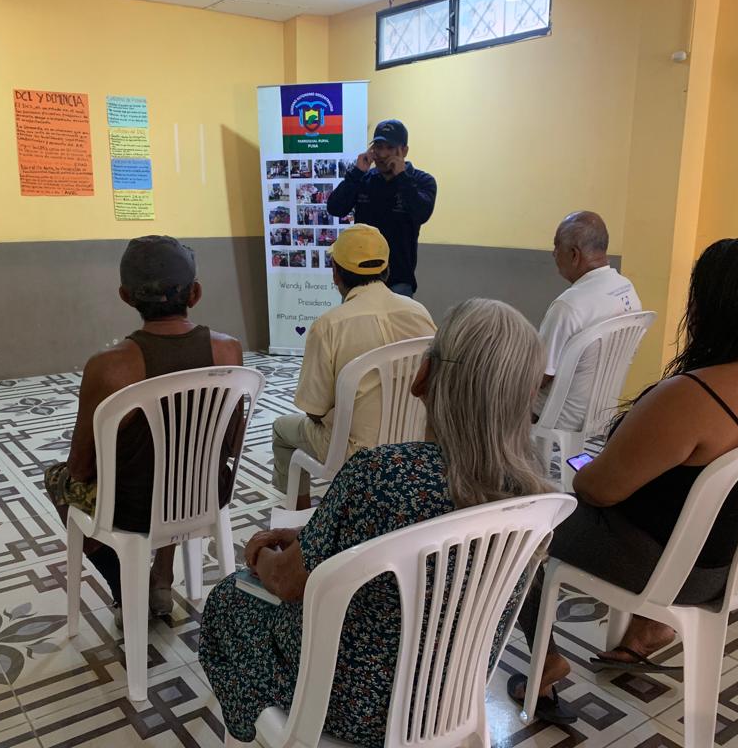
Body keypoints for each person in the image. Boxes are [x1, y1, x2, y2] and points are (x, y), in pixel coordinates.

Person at [200, 299, 554, 748]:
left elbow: (288, 584)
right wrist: (314, 534)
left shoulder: (381, 474)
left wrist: (262, 556)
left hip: (349, 706)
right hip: (451, 699)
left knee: (229, 598)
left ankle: (250, 730)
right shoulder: (533, 492)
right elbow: (413, 542)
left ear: (423, 377)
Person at [510, 239, 738, 724]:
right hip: (734, 560)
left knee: (518, 529)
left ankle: (545, 662)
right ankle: (647, 629)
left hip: (669, 568)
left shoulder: (692, 396)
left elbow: (598, 490)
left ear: (716, 306)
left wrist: (582, 472)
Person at [43, 236, 245, 621]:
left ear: (125, 296)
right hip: (206, 492)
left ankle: (125, 585)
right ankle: (162, 576)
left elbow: (81, 468)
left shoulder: (108, 366)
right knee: (179, 463)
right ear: (195, 293)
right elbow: (232, 444)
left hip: (131, 509)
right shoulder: (228, 350)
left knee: (56, 478)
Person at [271, 223, 436, 509]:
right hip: (415, 442)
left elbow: (314, 409)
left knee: (281, 430)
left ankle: (300, 524)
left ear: (335, 272)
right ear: (386, 269)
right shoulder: (418, 312)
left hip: (357, 455)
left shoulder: (329, 325)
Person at [535, 211, 641, 430]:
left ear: (574, 254)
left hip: (553, 419)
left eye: (557, 246)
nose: (553, 254)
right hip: (601, 417)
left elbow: (539, 376)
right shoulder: (626, 289)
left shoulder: (568, 306)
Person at [327, 119, 436, 298]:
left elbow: (421, 214)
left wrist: (402, 177)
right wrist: (357, 172)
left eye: (390, 148)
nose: (383, 154)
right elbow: (335, 208)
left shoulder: (422, 181)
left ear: (404, 151)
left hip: (399, 280)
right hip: (359, 279)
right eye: (378, 147)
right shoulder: (363, 179)